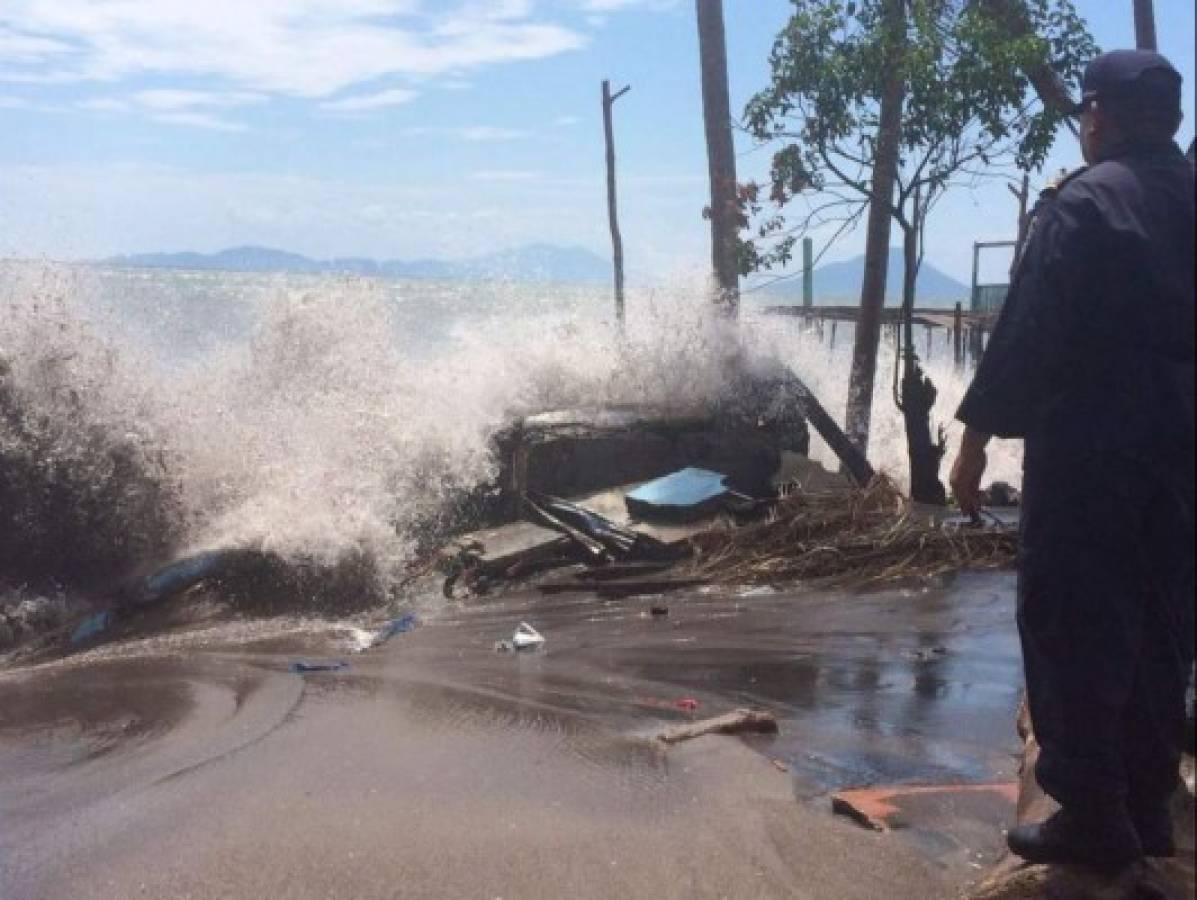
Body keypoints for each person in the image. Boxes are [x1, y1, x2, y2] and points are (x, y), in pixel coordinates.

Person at [951, 49, 1195, 870]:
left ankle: (1089, 813)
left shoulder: (1081, 203)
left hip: (1092, 455)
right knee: (1164, 630)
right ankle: (1147, 806)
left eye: (1085, 110)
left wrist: (974, 441)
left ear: (1102, 115)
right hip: (1184, 461)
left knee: (1072, 623)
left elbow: (1026, 336)